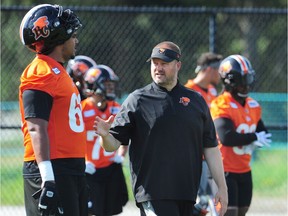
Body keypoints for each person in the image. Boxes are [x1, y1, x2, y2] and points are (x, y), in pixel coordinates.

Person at [93, 41, 228, 216]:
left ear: (178, 65)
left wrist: (222, 188)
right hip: (153, 193)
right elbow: (111, 145)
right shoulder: (137, 100)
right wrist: (105, 135)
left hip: (186, 193)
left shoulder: (196, 100)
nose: (158, 68)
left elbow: (210, 147)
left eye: (164, 63)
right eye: (155, 63)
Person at [19, 4, 88, 216]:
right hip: (52, 169)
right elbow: (35, 128)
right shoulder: (40, 72)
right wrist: (48, 177)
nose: (75, 40)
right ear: (58, 38)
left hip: (71, 167)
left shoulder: (57, 70)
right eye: (72, 35)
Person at [210, 54, 272, 216]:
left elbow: (262, 131)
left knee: (241, 212)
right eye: (241, 80)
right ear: (230, 81)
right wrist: (253, 138)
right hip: (225, 170)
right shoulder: (221, 104)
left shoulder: (253, 105)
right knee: (228, 213)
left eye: (247, 78)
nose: (246, 85)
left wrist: (258, 138)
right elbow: (227, 137)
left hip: (244, 169)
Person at [81, 65, 128, 216]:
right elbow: (72, 140)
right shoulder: (81, 109)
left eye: (111, 85)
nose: (110, 89)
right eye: (107, 85)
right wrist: (83, 162)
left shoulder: (116, 107)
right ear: (94, 85)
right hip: (89, 170)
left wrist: (121, 155)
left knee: (111, 210)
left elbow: (125, 136)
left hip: (110, 168)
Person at [185, 52, 223, 214]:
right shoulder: (188, 91)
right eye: (219, 70)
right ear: (209, 70)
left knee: (213, 200)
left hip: (211, 154)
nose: (222, 74)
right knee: (201, 201)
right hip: (193, 156)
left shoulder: (213, 91)